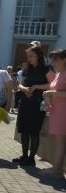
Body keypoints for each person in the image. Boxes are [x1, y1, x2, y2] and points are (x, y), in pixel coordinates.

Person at [12, 44, 54, 166]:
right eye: (28, 56)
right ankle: (24, 156)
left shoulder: (46, 69)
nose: (29, 58)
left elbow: (52, 85)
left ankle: (31, 158)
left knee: (34, 131)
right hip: (26, 101)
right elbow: (20, 84)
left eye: (31, 56)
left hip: (38, 102)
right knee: (24, 129)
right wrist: (25, 89)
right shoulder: (27, 68)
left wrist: (35, 87)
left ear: (38, 56)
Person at [40, 49, 66, 178]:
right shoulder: (58, 73)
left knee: (60, 140)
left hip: (63, 112)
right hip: (57, 111)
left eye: (56, 59)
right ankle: (57, 168)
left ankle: (57, 170)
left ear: (64, 59)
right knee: (58, 140)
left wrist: (51, 93)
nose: (53, 62)